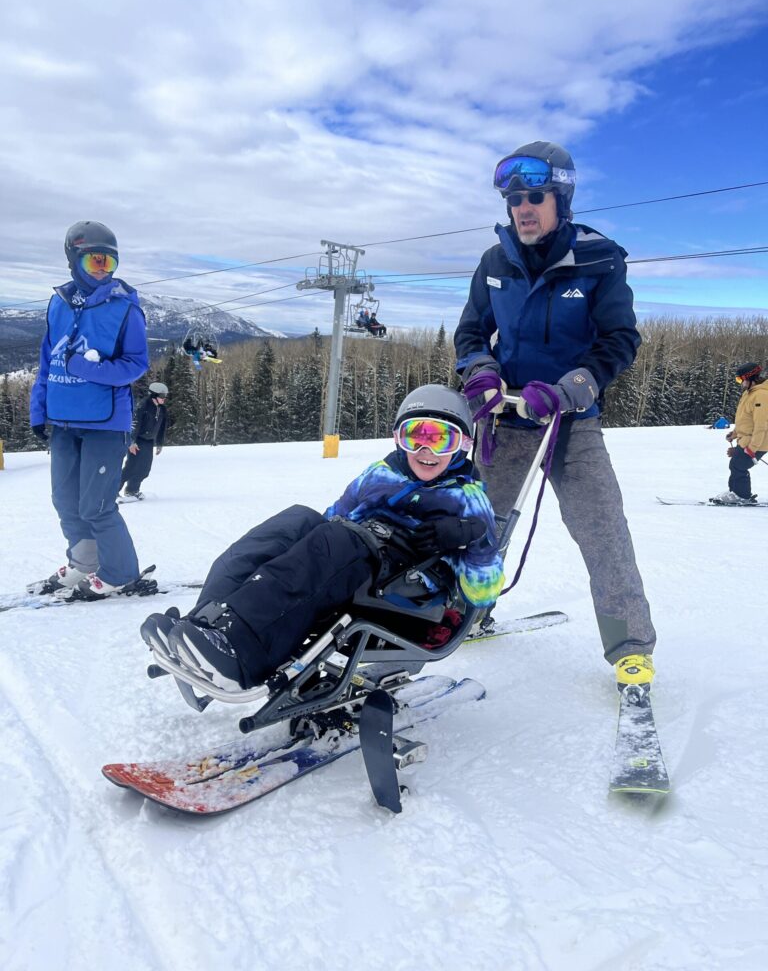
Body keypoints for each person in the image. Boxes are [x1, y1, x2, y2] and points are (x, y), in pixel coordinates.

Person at [140, 385, 504, 691]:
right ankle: (204, 625)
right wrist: (305, 541)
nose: (426, 452)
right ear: (399, 439)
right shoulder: (380, 473)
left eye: (441, 440)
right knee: (296, 521)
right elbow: (334, 516)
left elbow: (482, 595)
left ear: (462, 445)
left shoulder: (468, 500)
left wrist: (475, 540)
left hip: (407, 585)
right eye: (415, 437)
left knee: (336, 544)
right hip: (358, 553)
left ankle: (241, 652)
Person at [454, 140, 655, 690]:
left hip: (572, 419)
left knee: (601, 528)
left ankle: (630, 647)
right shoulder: (494, 262)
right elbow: (471, 331)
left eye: (535, 195)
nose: (522, 207)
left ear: (561, 198)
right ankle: (469, 613)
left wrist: (576, 385)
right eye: (514, 197)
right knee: (479, 526)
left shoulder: (597, 258)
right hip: (508, 415)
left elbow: (620, 339)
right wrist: (480, 372)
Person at [29, 221, 149, 598]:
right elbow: (47, 359)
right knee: (65, 501)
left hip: (104, 423)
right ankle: (84, 562)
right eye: (95, 261)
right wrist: (39, 407)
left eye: (109, 264)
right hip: (64, 420)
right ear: (73, 259)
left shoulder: (125, 308)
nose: (102, 270)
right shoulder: (58, 302)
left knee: (97, 506)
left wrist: (89, 368)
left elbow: (136, 364)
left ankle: (121, 572)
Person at [712, 362, 768, 504]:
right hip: (746, 440)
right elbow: (746, 419)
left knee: (739, 465)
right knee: (735, 464)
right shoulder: (749, 394)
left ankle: (742, 496)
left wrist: (752, 448)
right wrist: (735, 433)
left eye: (740, 379)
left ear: (750, 378)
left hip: (758, 442)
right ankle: (734, 493)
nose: (740, 383)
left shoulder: (761, 395)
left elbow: (761, 425)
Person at [119, 382, 169, 499]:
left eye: (165, 396)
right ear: (154, 395)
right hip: (138, 441)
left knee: (144, 469)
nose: (164, 399)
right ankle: (113, 491)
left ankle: (132, 490)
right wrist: (131, 442)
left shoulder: (162, 409)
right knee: (131, 467)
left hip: (149, 442)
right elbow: (134, 424)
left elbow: (162, 427)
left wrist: (160, 443)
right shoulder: (143, 406)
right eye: (162, 396)